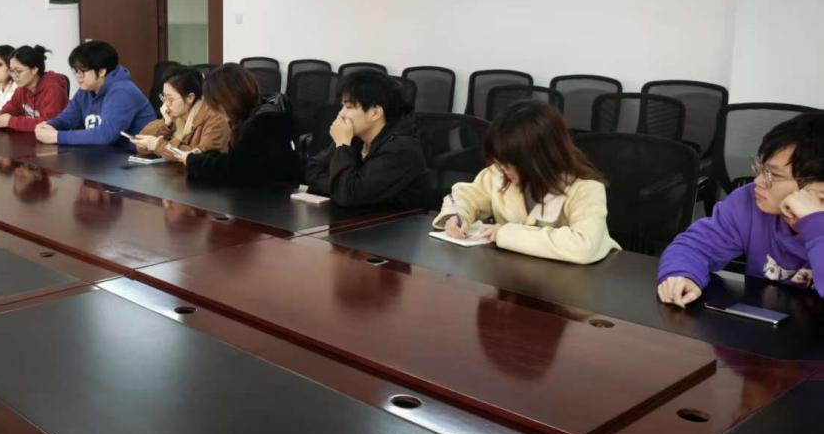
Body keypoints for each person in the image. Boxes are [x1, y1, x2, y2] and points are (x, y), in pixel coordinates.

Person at [658, 113, 824, 306]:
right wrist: (683, 274)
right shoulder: (749, 200)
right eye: (762, 169)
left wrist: (815, 227)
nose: (758, 181)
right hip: (764, 319)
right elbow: (696, 245)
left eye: (775, 176)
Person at [433, 100, 618, 264]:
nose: (502, 170)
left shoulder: (586, 187)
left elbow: (583, 245)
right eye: (500, 163)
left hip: (577, 284)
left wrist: (503, 233)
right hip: (515, 275)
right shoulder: (501, 173)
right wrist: (457, 217)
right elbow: (469, 196)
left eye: (508, 165)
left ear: (537, 161)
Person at [305, 72, 428, 207]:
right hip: (356, 215)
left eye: (349, 107)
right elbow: (313, 170)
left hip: (396, 219)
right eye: (342, 106)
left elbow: (348, 196)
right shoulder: (356, 137)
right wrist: (338, 188)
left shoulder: (401, 149)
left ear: (375, 113)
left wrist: (342, 146)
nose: (341, 114)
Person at [185, 64, 301, 184]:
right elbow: (239, 159)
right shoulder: (253, 114)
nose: (216, 112)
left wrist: (193, 161)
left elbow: (236, 171)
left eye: (217, 105)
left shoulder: (262, 122)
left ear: (230, 98)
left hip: (273, 193)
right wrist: (204, 157)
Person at [35, 40, 156, 146]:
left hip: (132, 157)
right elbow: (68, 118)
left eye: (82, 72)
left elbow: (106, 135)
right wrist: (49, 126)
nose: (78, 77)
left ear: (101, 71)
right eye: (75, 71)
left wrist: (57, 136)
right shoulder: (86, 90)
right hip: (104, 154)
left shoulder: (123, 91)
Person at [131, 66, 231, 162]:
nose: (166, 104)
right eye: (164, 97)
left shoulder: (216, 119)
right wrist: (166, 124)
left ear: (190, 98)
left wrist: (159, 145)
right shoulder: (175, 116)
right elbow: (141, 146)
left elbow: (200, 158)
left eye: (170, 99)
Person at [0, 45, 70, 131]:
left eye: (18, 71)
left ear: (34, 70)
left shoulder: (53, 89)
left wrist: (11, 121)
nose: (14, 76)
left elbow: (48, 124)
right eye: (11, 71)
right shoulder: (21, 89)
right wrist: (0, 116)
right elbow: (10, 108)